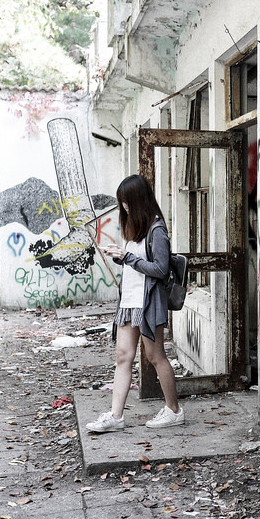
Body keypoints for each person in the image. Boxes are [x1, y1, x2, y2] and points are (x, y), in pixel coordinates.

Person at [86, 174, 185, 432]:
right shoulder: (135, 227)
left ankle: (174, 410)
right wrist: (120, 256)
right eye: (122, 203)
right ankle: (116, 416)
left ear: (139, 200)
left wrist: (128, 257)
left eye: (127, 202)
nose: (125, 207)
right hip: (129, 302)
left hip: (148, 302)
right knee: (123, 356)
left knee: (155, 356)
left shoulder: (157, 229)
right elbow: (135, 263)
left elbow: (161, 269)